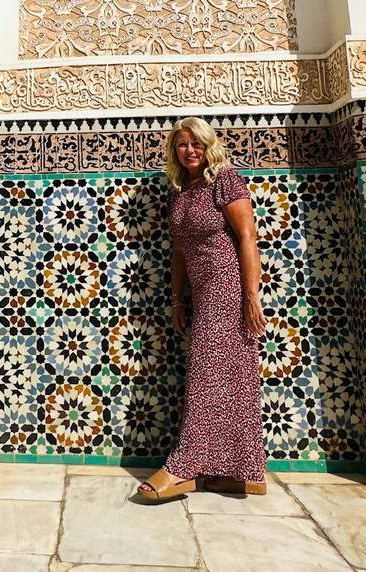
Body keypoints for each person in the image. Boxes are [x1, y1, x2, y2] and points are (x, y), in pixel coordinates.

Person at [137, 117, 268, 502]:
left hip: (227, 289)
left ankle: (182, 467)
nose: (189, 150)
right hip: (201, 293)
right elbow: (179, 251)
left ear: (208, 145)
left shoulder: (225, 179)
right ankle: (239, 472)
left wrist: (251, 296)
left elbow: (246, 237)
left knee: (207, 374)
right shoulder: (180, 190)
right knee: (228, 379)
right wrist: (178, 299)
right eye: (181, 145)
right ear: (174, 151)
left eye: (195, 144)